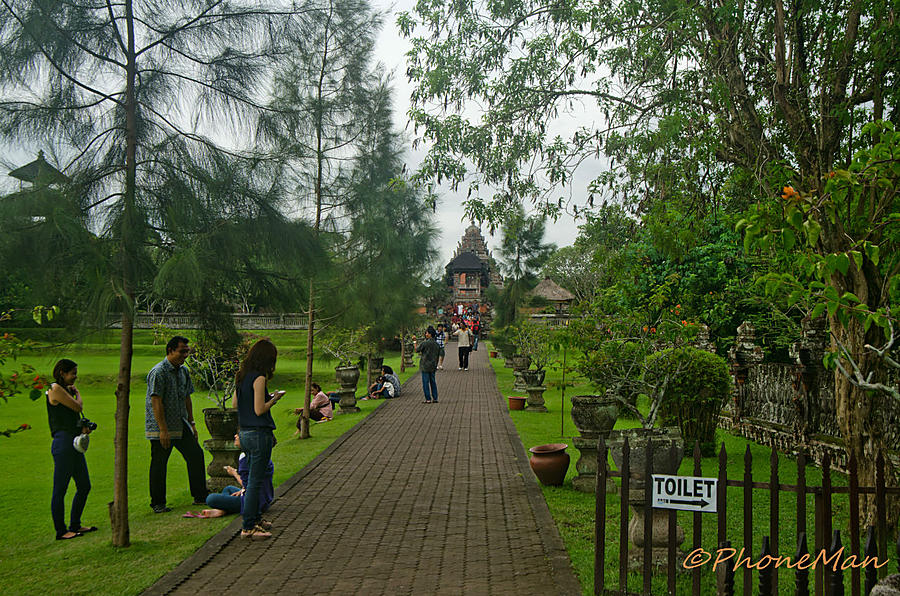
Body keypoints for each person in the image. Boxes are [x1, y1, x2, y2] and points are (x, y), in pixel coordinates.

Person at [146, 336, 207, 513]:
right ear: (170, 350)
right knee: (159, 463)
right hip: (161, 426)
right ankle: (158, 503)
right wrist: (163, 430)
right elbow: (155, 402)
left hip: (181, 424)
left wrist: (192, 423)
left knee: (195, 455)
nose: (185, 355)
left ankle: (200, 495)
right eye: (182, 351)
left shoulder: (183, 371)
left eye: (187, 351)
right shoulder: (158, 372)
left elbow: (187, 397)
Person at [234, 338, 284, 539]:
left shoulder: (241, 376)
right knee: (255, 481)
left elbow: (236, 404)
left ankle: (254, 518)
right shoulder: (259, 377)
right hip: (258, 433)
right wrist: (274, 399)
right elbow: (259, 409)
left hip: (244, 432)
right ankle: (248, 526)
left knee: (255, 479)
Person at [47, 359, 96, 540]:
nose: (75, 377)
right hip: (63, 444)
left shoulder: (66, 390)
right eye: (72, 373)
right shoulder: (54, 389)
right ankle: (61, 531)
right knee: (60, 489)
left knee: (84, 485)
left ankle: (75, 524)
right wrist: (79, 395)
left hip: (74, 442)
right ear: (62, 372)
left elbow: (70, 415)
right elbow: (78, 406)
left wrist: (82, 428)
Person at [191, 434, 275, 519]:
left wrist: (234, 473)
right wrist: (243, 490)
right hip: (264, 499)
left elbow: (248, 485)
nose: (235, 436)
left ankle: (223, 510)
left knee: (210, 498)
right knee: (228, 488)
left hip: (252, 502)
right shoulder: (262, 457)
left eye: (239, 435)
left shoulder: (246, 458)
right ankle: (223, 509)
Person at [414, 326, 440, 404]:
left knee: (425, 382)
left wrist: (415, 342)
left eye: (427, 333)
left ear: (430, 334)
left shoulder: (425, 343)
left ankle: (428, 398)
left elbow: (416, 350)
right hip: (433, 365)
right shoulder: (436, 344)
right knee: (433, 382)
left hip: (425, 365)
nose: (426, 334)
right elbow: (438, 355)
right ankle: (435, 398)